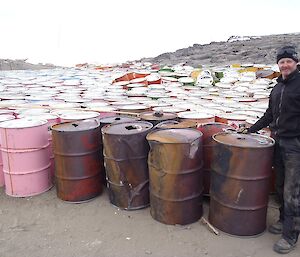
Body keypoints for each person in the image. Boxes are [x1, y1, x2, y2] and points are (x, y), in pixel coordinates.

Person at [241, 45, 300, 254]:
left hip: (295, 144)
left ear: (296, 62)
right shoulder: (277, 88)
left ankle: (291, 235)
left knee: (293, 191)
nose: (285, 65)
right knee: (281, 184)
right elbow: (269, 115)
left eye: (288, 61)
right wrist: (251, 129)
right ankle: (284, 220)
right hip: (278, 140)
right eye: (281, 62)